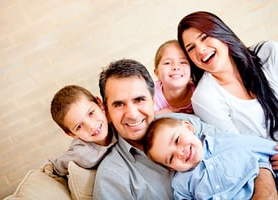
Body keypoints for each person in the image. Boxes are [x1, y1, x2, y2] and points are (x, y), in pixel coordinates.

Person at [92, 58, 276, 199]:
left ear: (153, 100)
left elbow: (239, 150)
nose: (132, 114)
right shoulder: (111, 176)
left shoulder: (179, 123)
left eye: (139, 100)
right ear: (106, 111)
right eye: (118, 104)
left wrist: (266, 190)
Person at [177, 11, 278, 141]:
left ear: (220, 33)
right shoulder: (205, 97)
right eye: (191, 48)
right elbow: (238, 148)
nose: (200, 50)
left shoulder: (269, 53)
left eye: (204, 37)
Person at [143, 117, 277, 199]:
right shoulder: (181, 184)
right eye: (171, 158)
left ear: (189, 128)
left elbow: (269, 149)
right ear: (170, 167)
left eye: (177, 140)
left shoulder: (230, 142)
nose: (180, 152)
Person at [48, 85, 116, 176]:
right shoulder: (80, 154)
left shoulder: (118, 121)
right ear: (71, 134)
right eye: (79, 126)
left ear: (99, 104)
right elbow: (54, 167)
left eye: (91, 113)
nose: (91, 126)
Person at [154, 39, 195, 115]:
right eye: (167, 63)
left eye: (183, 62)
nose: (176, 67)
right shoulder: (151, 96)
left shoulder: (198, 92)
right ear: (157, 73)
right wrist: (158, 116)